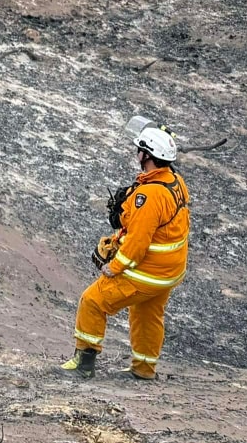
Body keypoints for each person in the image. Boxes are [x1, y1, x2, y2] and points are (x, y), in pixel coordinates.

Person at [60, 119, 190, 381]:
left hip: (147, 272)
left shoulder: (150, 196)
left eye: (139, 150)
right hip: (169, 272)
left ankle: (84, 363)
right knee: (147, 314)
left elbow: (139, 241)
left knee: (93, 301)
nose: (136, 154)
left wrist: (114, 266)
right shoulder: (174, 181)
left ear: (146, 155)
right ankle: (144, 369)